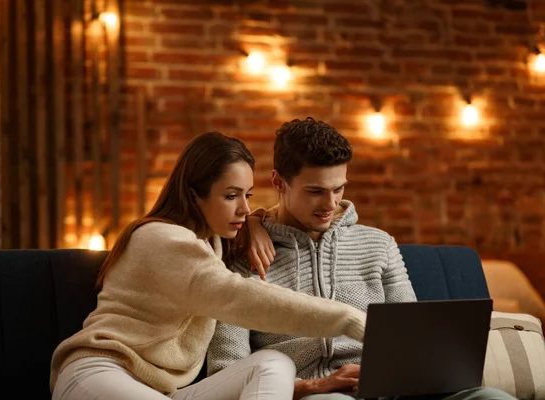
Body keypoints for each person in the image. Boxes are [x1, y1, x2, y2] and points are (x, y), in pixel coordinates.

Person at [207, 118, 517, 400]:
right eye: (315, 191)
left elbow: (411, 337)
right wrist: (313, 386)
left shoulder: (378, 244)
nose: (330, 204)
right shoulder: (242, 255)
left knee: (492, 398)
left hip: (393, 390)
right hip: (314, 393)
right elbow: (227, 373)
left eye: (338, 188)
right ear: (278, 182)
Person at [49, 132, 369, 400]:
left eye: (248, 195)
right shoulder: (162, 239)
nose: (243, 208)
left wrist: (256, 222)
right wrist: (349, 319)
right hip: (97, 376)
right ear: (194, 195)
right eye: (231, 196)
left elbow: (262, 217)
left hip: (165, 393)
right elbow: (238, 295)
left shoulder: (211, 244)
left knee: (272, 363)